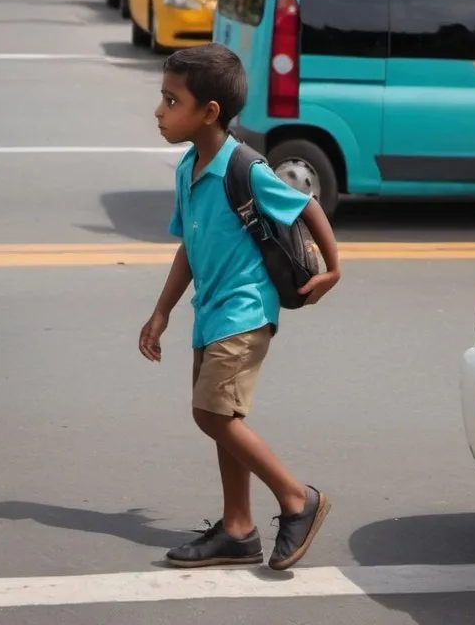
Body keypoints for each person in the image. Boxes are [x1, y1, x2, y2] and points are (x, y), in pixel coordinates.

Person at [139, 43, 341, 572]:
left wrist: (334, 268)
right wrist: (161, 311)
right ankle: (237, 529)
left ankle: (298, 498)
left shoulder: (244, 167)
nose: (158, 111)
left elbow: (307, 205)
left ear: (208, 112)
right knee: (224, 417)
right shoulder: (189, 168)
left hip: (246, 311)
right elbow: (190, 245)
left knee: (211, 413)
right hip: (210, 313)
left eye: (170, 100)